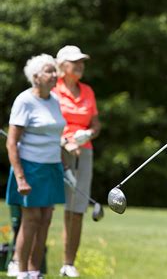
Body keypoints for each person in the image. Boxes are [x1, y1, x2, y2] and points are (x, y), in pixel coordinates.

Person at [6, 54, 66, 279]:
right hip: (30, 167)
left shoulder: (55, 100)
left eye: (54, 71)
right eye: (49, 71)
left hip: (52, 167)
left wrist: (65, 164)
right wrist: (20, 177)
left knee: (46, 220)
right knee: (30, 219)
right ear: (36, 77)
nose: (54, 75)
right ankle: (22, 272)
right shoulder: (25, 101)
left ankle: (34, 270)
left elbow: (55, 136)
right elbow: (12, 142)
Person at [52, 45, 101, 277]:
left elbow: (96, 124)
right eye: (75, 62)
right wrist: (64, 140)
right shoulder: (52, 89)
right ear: (62, 66)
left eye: (82, 61)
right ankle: (27, 261)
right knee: (40, 208)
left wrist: (87, 135)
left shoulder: (88, 91)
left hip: (84, 152)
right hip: (53, 151)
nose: (80, 65)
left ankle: (68, 263)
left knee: (76, 209)